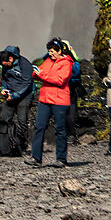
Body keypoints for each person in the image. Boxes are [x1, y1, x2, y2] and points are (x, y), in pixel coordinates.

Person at [28, 38, 75, 168]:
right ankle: (36, 158)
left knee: (60, 129)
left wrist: (41, 74)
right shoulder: (48, 61)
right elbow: (40, 74)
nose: (50, 53)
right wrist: (36, 73)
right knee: (39, 127)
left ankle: (61, 159)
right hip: (44, 99)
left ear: (60, 51)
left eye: (53, 51)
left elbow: (60, 80)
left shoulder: (67, 63)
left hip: (59, 100)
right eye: (49, 51)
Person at [0, 45, 35, 156]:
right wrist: (3, 89)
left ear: (11, 59)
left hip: (25, 96)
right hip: (11, 94)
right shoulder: (5, 64)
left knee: (22, 120)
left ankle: (21, 145)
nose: (5, 67)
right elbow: (4, 79)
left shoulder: (25, 65)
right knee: (4, 118)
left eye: (6, 64)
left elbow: (27, 84)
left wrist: (14, 95)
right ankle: (2, 145)